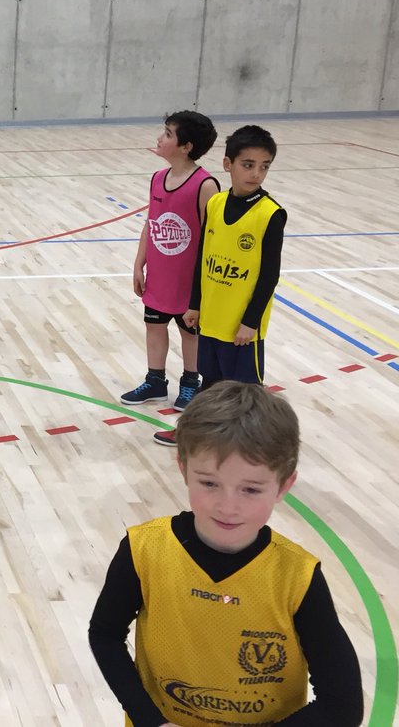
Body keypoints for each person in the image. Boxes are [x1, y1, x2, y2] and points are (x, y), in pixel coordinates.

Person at [89, 381, 363, 726]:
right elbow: (105, 634)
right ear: (183, 469)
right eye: (209, 483)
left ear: (284, 486)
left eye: (250, 489)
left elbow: (343, 707)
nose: (228, 506)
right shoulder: (143, 550)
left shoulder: (298, 577)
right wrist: (150, 720)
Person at [155, 125, 285, 447]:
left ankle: (259, 448)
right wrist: (195, 304)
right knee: (209, 383)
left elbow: (270, 276)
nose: (256, 173)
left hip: (241, 327)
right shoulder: (215, 204)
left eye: (264, 166)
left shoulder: (271, 214)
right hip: (211, 318)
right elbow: (202, 258)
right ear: (228, 165)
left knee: (247, 392)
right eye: (248, 164)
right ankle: (193, 432)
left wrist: (250, 322)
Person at [120, 111, 218, 411]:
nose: (159, 139)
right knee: (154, 326)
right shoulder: (158, 179)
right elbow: (151, 224)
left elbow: (212, 239)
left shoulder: (206, 185)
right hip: (160, 276)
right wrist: (139, 264)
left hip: (189, 281)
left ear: (186, 146)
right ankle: (156, 382)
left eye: (167, 134)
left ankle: (190, 383)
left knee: (190, 333)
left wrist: (202, 287)